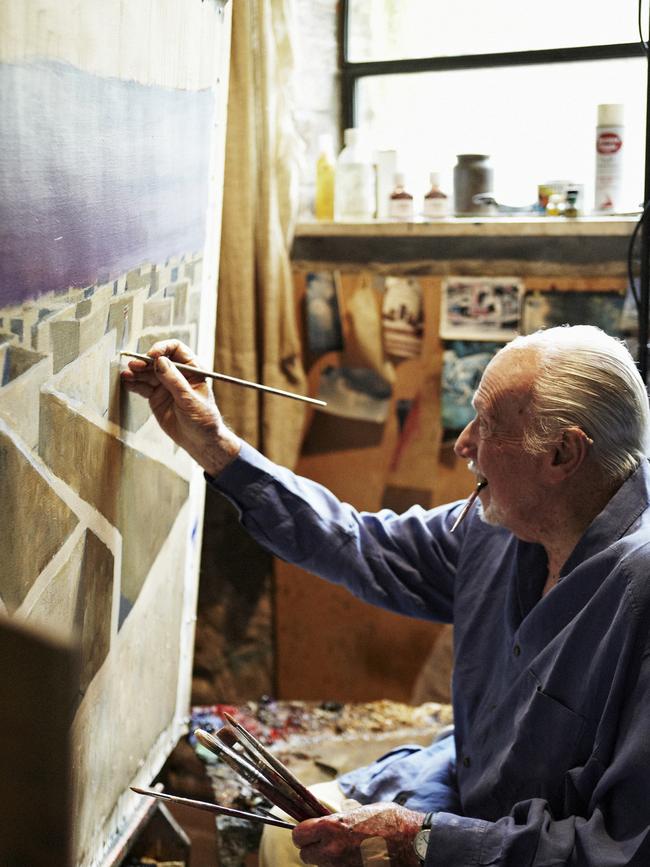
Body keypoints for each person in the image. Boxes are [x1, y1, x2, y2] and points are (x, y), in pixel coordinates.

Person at [121, 325, 650, 866]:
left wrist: (423, 839)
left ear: (562, 453)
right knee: (287, 840)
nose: (463, 444)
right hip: (460, 791)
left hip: (522, 852)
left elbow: (621, 850)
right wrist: (212, 444)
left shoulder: (638, 595)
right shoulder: (503, 524)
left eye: (486, 426)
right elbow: (359, 545)